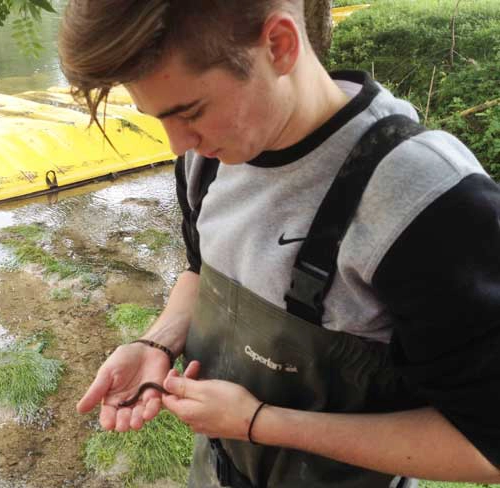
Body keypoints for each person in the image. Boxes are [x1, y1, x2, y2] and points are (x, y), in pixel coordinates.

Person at [59, 1, 500, 486]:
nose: (177, 144)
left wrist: (258, 423)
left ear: (279, 46)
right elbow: (201, 269)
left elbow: (485, 447)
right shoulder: (207, 159)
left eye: (191, 111)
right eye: (157, 117)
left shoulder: (425, 201)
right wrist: (156, 343)